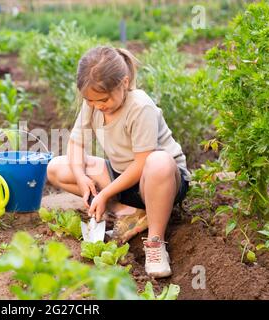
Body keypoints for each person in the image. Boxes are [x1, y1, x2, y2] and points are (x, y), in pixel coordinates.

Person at [46, 46, 190, 278]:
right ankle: (128, 212)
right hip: (123, 176)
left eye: (102, 100)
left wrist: (103, 194)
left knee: (159, 162)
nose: (97, 106)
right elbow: (76, 145)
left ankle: (155, 242)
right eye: (90, 100)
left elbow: (143, 163)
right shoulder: (92, 103)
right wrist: (82, 178)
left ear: (123, 83)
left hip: (159, 180)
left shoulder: (140, 107)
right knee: (57, 168)